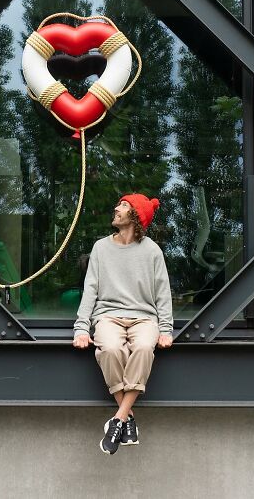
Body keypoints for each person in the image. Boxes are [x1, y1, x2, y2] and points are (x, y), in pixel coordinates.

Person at [73, 193, 173, 455]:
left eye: (124, 205)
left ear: (136, 216)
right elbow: (90, 290)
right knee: (111, 350)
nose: (116, 208)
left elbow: (163, 292)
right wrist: (82, 328)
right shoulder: (100, 248)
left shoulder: (152, 250)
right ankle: (126, 418)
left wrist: (166, 329)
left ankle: (118, 420)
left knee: (142, 349)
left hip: (144, 317)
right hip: (108, 316)